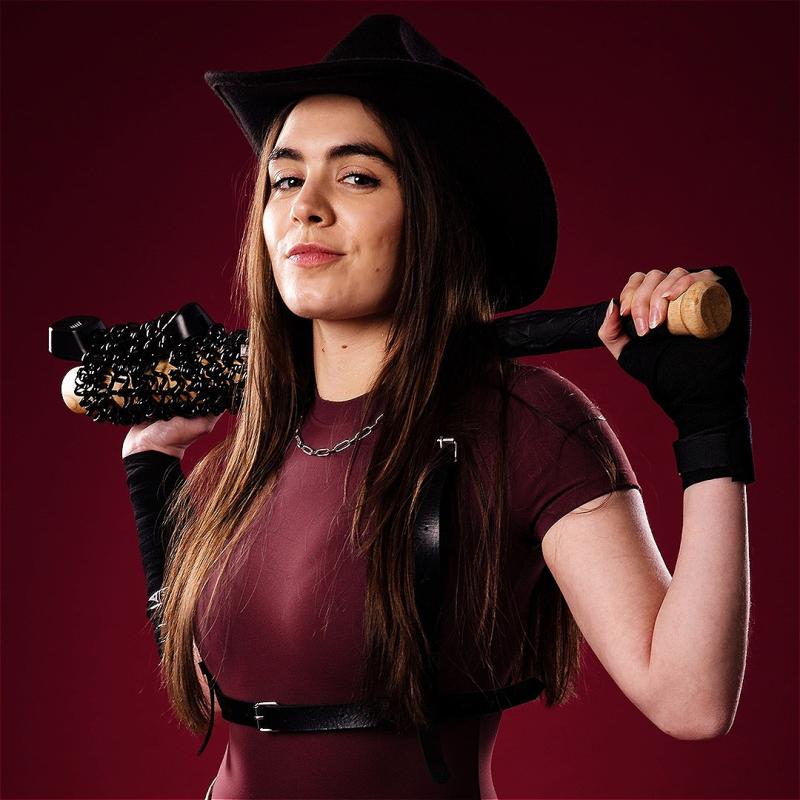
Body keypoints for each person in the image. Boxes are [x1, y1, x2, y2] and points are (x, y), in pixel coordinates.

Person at [122, 14, 753, 800]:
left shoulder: (525, 423)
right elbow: (215, 693)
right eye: (286, 178)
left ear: (430, 212)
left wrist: (712, 426)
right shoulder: (245, 455)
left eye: (356, 176)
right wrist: (153, 471)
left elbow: (689, 699)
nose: (306, 207)